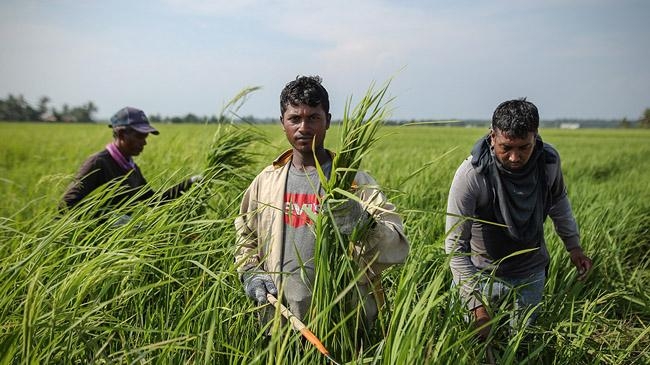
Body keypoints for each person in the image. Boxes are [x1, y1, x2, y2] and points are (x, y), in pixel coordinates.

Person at [234, 76, 409, 332]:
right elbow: (246, 235)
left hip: (345, 322)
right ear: (282, 122)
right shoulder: (266, 181)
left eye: (313, 117)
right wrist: (250, 272)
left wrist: (362, 222)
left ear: (327, 120)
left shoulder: (354, 183)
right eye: (295, 118)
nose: (303, 127)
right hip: (280, 322)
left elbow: (397, 244)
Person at [445, 98, 593, 339]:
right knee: (474, 346)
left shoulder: (548, 163)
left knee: (522, 343)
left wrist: (574, 247)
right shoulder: (472, 175)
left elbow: (558, 203)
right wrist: (476, 306)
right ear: (492, 137)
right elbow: (455, 246)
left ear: (535, 136)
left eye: (524, 147)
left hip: (530, 274)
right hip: (481, 275)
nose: (514, 157)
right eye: (506, 148)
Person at [61, 106, 201, 219]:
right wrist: (108, 220)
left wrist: (189, 183)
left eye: (146, 137)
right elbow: (67, 204)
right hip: (90, 245)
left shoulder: (131, 168)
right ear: (121, 134)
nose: (145, 142)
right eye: (140, 136)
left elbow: (154, 200)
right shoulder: (99, 163)